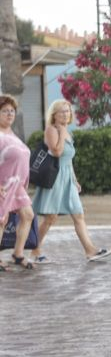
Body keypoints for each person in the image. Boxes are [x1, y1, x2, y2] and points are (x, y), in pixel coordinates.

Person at [29, 100, 111, 263]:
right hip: (54, 180)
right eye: (61, 111)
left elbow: (68, 160)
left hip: (68, 179)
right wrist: (61, 133)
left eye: (67, 111)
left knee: (78, 214)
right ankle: (35, 251)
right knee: (50, 218)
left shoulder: (68, 132)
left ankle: (90, 251)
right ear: (54, 114)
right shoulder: (51, 130)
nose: (65, 114)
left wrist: (74, 180)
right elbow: (57, 152)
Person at [0, 95, 36, 270]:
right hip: (3, 184)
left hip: (17, 185)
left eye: (12, 111)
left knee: (28, 215)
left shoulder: (12, 134)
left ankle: (18, 254)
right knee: (1, 220)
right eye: (5, 111)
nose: (9, 114)